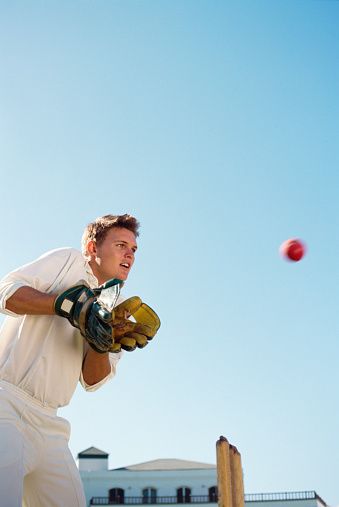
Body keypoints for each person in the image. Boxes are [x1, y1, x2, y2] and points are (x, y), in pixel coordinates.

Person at [0, 214, 159, 507]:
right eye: (121, 244)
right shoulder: (69, 261)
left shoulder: (113, 311)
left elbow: (92, 380)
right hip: (6, 405)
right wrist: (65, 304)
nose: (129, 254)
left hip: (51, 425)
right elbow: (6, 293)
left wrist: (101, 341)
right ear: (91, 249)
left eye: (134, 249)